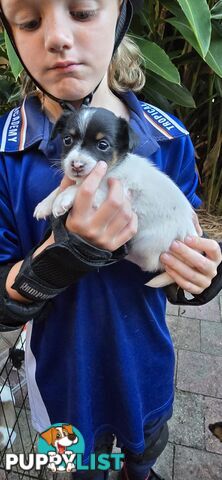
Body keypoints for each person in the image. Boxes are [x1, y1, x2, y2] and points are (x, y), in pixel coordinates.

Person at [0, 1, 221, 479]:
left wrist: (201, 278)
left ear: (120, 15)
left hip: (144, 368)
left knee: (141, 456)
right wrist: (57, 259)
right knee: (84, 468)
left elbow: (187, 239)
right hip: (62, 381)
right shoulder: (6, 153)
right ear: (12, 35)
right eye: (29, 20)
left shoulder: (168, 139)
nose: (57, 36)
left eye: (82, 12)